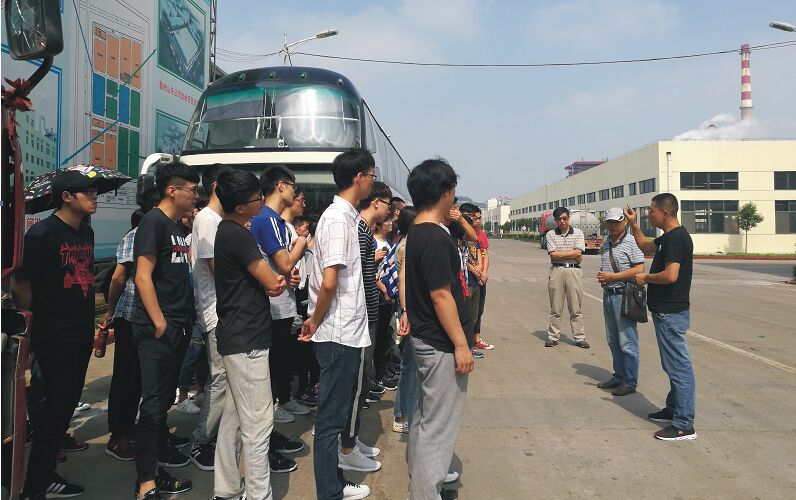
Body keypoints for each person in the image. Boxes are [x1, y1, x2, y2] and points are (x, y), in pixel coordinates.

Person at [298, 148, 378, 500]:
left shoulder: (347, 217)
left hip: (347, 330)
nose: (372, 182)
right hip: (337, 333)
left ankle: (335, 482)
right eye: (371, 175)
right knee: (330, 422)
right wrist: (314, 321)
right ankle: (329, 492)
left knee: (338, 415)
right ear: (359, 177)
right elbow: (329, 282)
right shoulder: (335, 219)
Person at [14, 171, 99, 499]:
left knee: (64, 409)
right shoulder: (43, 234)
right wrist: (33, 326)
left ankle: (45, 475)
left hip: (80, 334)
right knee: (52, 411)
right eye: (87, 191)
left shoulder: (85, 232)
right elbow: (22, 283)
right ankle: (35, 486)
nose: (94, 195)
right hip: (53, 335)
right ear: (66, 196)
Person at [213, 169, 287, 500]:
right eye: (258, 198)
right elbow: (272, 281)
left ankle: (226, 488)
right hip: (248, 340)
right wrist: (276, 282)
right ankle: (259, 494)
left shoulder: (225, 230)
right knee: (258, 424)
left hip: (236, 335)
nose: (262, 201)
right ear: (241, 207)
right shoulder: (239, 236)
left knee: (233, 418)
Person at [404, 159, 474, 500]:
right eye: (453, 191)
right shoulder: (433, 237)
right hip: (440, 343)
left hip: (426, 338)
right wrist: (461, 344)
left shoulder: (418, 231)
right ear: (444, 192)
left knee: (424, 418)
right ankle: (424, 493)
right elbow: (440, 295)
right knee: (438, 427)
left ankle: (420, 484)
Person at [133, 162, 199, 500]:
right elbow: (142, 276)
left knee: (162, 404)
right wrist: (160, 322)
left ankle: (158, 468)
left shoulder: (175, 226)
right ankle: (145, 482)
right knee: (153, 405)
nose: (196, 196)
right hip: (159, 328)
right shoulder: (153, 222)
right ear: (172, 191)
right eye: (192, 190)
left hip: (178, 325)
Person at [625, 194, 697, 441]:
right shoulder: (668, 238)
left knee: (678, 368)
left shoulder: (676, 238)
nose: (649, 214)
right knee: (672, 365)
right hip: (666, 311)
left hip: (671, 312)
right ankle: (673, 409)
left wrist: (645, 278)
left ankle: (684, 425)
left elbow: (670, 275)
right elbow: (646, 247)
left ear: (665, 213)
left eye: (651, 211)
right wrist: (634, 224)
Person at [251, 165, 309, 426]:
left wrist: (291, 277)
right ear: (281, 186)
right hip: (271, 305)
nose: (295, 193)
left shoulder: (275, 221)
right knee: (274, 360)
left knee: (282, 358)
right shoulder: (266, 219)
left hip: (282, 301)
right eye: (293, 187)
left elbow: (283, 268)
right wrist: (301, 244)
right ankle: (273, 405)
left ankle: (283, 400)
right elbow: (284, 263)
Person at [186, 164, 228, 471]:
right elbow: (220, 270)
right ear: (217, 186)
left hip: (224, 311)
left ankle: (216, 436)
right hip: (215, 312)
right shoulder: (207, 220)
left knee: (225, 379)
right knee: (220, 379)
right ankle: (201, 440)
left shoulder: (217, 220)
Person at [104, 209, 146, 461]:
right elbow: (119, 277)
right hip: (130, 316)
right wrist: (110, 312)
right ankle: (118, 435)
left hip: (150, 319)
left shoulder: (173, 232)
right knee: (125, 378)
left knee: (139, 379)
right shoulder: (137, 235)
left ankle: (131, 429)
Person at [596, 207, 645, 397]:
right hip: (609, 294)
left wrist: (613, 277)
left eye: (616, 222)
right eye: (609, 222)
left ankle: (630, 381)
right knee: (613, 340)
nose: (612, 225)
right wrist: (604, 277)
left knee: (627, 341)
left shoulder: (631, 242)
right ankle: (618, 376)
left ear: (624, 222)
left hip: (623, 295)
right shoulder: (607, 242)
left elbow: (639, 269)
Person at [357, 181, 394, 405]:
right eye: (388, 205)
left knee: (367, 358)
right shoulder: (360, 231)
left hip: (369, 308)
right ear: (377, 202)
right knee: (363, 361)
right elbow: (357, 273)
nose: (389, 212)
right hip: (362, 311)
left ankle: (363, 393)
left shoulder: (364, 230)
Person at [545, 207, 589, 348]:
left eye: (564, 218)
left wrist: (562, 253)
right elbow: (553, 255)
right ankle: (553, 336)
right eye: (559, 219)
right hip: (557, 270)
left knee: (575, 307)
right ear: (555, 220)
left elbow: (578, 253)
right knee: (556, 307)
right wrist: (573, 254)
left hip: (574, 271)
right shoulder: (551, 234)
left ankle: (579, 337)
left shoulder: (578, 233)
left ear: (569, 218)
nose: (562, 221)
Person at [391, 206, 418, 433]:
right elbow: (403, 280)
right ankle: (401, 416)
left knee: (409, 364)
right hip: (408, 310)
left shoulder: (402, 243)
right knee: (409, 365)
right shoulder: (408, 246)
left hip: (406, 309)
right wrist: (406, 310)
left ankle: (404, 413)